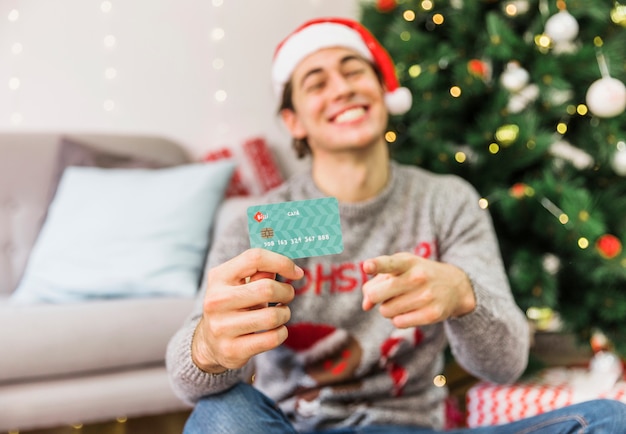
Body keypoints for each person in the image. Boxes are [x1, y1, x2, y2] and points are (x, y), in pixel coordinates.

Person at [166, 17, 626, 434]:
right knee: (220, 416)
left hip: (408, 428)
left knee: (609, 420)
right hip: (293, 429)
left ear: (382, 91)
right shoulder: (272, 219)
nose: (342, 89)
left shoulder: (442, 201)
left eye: (354, 71)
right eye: (316, 83)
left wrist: (465, 295)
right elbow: (187, 381)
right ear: (294, 121)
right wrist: (209, 345)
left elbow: (505, 365)